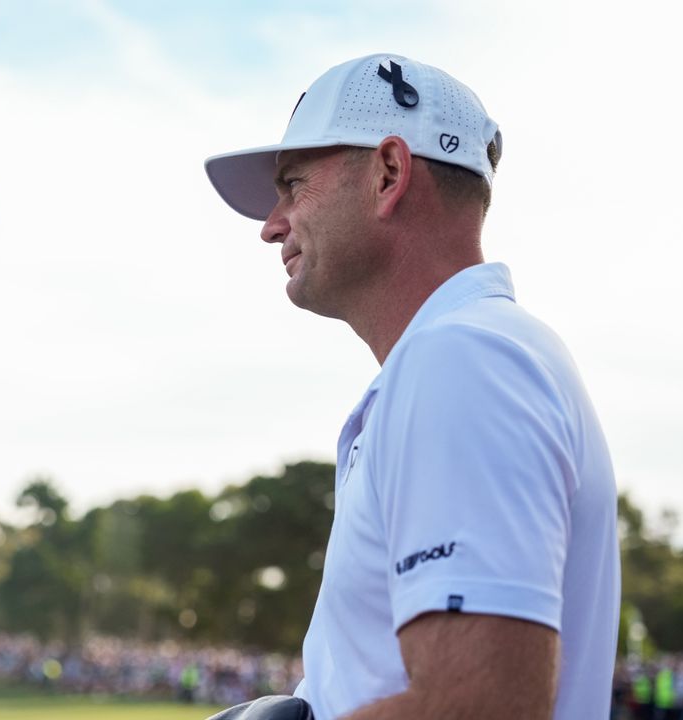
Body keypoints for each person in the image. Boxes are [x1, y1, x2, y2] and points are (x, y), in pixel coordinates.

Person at [203, 54, 619, 719]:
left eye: (293, 184)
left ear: (389, 173)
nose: (271, 224)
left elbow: (482, 706)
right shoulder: (477, 352)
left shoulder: (463, 358)